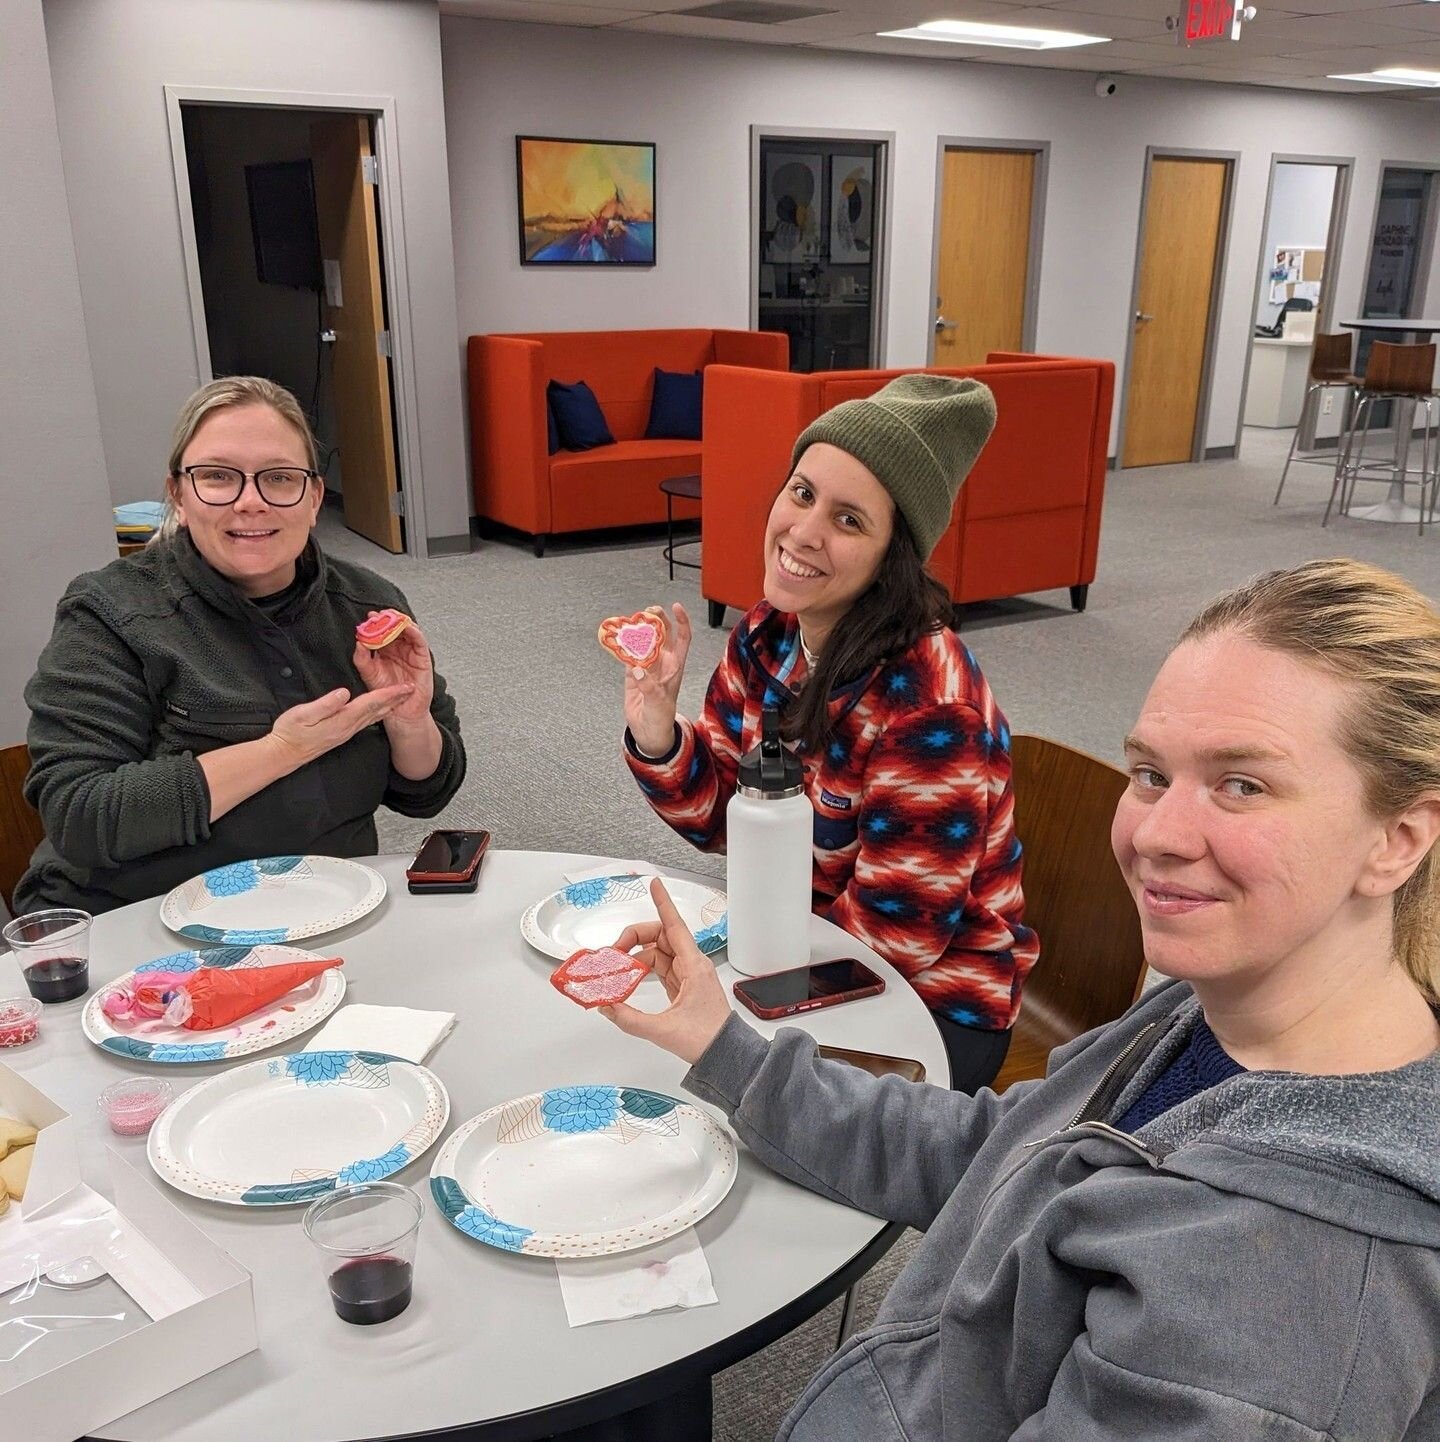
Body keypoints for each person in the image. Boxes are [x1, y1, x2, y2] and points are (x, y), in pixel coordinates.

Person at [602, 557, 1440, 1440]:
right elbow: (1006, 1149)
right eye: (1151, 772)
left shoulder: (1279, 1285)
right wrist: (722, 1044)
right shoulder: (1222, 1014)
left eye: (1243, 784)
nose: (1155, 832)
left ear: (1398, 840)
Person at [622, 375, 1035, 1093]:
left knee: (699, 1090)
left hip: (932, 1007)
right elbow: (723, 820)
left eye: (850, 521)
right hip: (801, 950)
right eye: (803, 493)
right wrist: (658, 732)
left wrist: (734, 991)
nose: (803, 532)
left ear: (890, 559)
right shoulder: (768, 633)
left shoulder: (930, 710)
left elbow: (896, 941)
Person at [15, 376, 465, 915]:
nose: (250, 503)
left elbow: (426, 794)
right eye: (218, 477)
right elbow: (80, 816)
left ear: (314, 497)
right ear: (179, 495)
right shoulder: (110, 613)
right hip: (142, 918)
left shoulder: (368, 603)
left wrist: (409, 721)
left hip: (323, 907)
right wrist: (282, 752)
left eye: (278, 478)